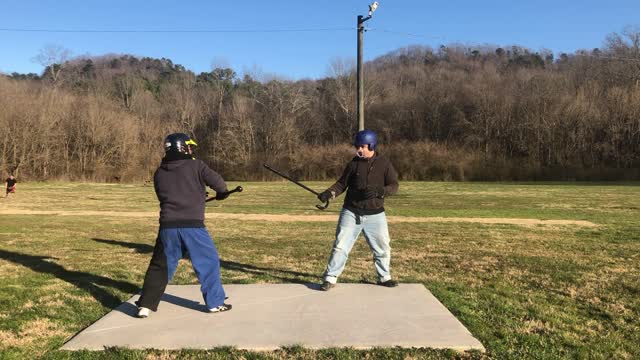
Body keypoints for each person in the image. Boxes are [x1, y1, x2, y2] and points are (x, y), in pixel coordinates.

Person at [136, 133, 232, 318]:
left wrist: (197, 194)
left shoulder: (159, 172)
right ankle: (215, 302)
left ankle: (145, 306)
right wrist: (221, 193)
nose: (191, 150)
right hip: (193, 227)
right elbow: (220, 185)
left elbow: (169, 194)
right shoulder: (197, 165)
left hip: (167, 227)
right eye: (189, 147)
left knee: (160, 266)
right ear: (183, 147)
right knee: (208, 262)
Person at [317, 129, 399, 291]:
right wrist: (329, 193)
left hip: (376, 215)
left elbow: (394, 186)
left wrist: (380, 192)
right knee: (340, 246)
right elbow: (341, 184)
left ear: (371, 145)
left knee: (382, 247)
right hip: (351, 212)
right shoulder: (353, 163)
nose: (358, 150)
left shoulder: (384, 163)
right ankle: (330, 278)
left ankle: (384, 277)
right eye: (357, 147)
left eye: (362, 147)